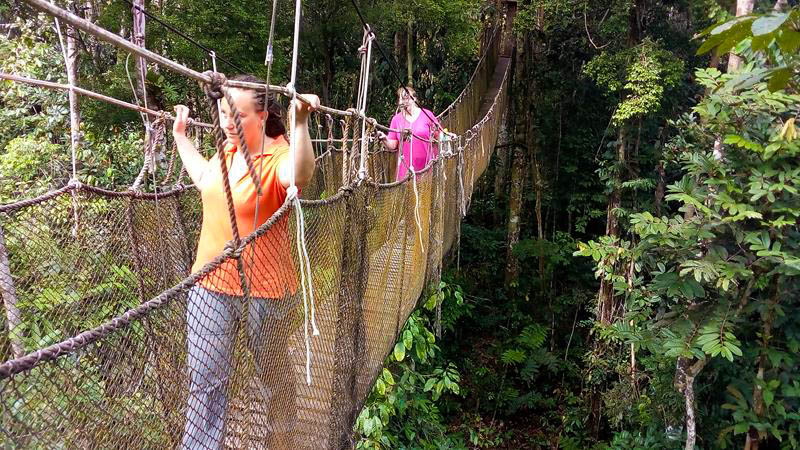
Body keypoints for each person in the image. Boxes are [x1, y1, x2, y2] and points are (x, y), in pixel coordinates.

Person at [172, 74, 319, 450]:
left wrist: (301, 122)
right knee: (206, 383)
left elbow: (300, 174)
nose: (225, 121)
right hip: (209, 285)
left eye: (235, 114)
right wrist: (181, 138)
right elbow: (206, 178)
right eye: (222, 111)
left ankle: (283, 435)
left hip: (265, 291)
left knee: (271, 376)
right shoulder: (230, 149)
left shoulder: (280, 157)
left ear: (263, 116)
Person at [377, 86, 441, 182]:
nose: (404, 101)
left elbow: (439, 135)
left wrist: (449, 136)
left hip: (427, 168)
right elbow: (393, 145)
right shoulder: (396, 120)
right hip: (406, 172)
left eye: (406, 98)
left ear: (414, 99)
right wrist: (384, 139)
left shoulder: (427, 115)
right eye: (401, 98)